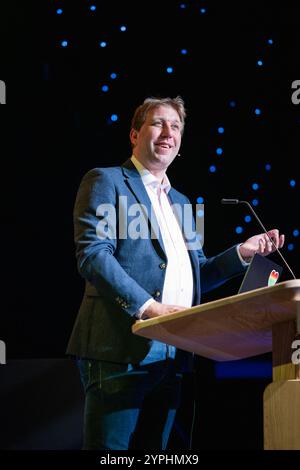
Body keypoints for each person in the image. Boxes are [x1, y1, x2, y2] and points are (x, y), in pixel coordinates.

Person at [66, 96, 284, 450]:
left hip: (175, 353)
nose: (168, 132)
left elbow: (198, 275)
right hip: (121, 347)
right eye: (158, 123)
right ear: (135, 134)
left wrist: (242, 254)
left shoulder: (183, 202)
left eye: (176, 126)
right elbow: (93, 256)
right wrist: (149, 308)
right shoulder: (106, 181)